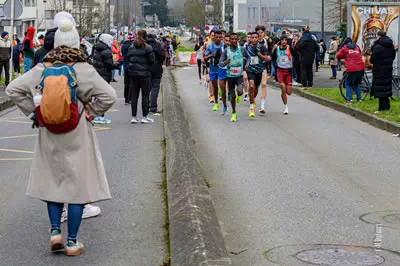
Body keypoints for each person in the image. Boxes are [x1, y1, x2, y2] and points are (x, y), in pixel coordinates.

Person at [6, 17, 116, 256]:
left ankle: (55, 231)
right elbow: (109, 95)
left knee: (53, 183)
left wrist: (35, 112)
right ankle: (73, 242)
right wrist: (91, 112)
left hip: (49, 133)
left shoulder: (42, 68)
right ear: (77, 43)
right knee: (77, 188)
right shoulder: (84, 69)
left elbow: (12, 89)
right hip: (77, 133)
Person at [219, 32, 249, 122]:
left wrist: (247, 64)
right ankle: (234, 112)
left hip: (239, 75)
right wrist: (225, 63)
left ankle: (239, 93)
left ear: (238, 40)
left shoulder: (242, 49)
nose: (234, 41)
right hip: (230, 76)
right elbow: (220, 62)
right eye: (232, 39)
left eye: (236, 39)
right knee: (232, 96)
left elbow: (249, 58)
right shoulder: (226, 51)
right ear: (230, 40)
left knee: (239, 91)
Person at [127, 29, 155, 124]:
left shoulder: (131, 47)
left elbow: (129, 58)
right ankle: (145, 116)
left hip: (133, 74)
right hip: (145, 74)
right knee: (145, 96)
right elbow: (152, 61)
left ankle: (134, 117)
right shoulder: (148, 48)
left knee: (134, 96)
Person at [245, 32, 270, 117]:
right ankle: (251, 108)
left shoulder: (262, 47)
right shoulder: (247, 47)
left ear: (258, 38)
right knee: (251, 86)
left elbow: (267, 59)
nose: (254, 39)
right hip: (250, 70)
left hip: (259, 71)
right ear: (250, 38)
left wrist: (259, 54)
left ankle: (253, 99)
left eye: (256, 37)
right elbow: (244, 57)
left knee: (255, 88)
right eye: (253, 37)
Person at [370, 31, 396, 112]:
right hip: (388, 70)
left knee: (380, 89)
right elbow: (393, 56)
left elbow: (372, 59)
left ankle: (381, 109)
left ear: (379, 36)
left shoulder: (378, 46)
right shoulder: (390, 46)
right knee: (386, 88)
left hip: (379, 70)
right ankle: (387, 107)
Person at [336, 37, 365, 104]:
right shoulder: (357, 46)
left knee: (347, 83)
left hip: (351, 68)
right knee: (357, 83)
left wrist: (345, 56)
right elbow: (358, 54)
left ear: (345, 43)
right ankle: (359, 99)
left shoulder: (345, 48)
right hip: (360, 67)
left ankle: (349, 100)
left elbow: (338, 56)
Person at [204, 31, 227, 113]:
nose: (217, 38)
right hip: (213, 69)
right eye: (216, 37)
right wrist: (211, 55)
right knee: (215, 87)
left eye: (219, 37)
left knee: (222, 87)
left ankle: (224, 105)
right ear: (213, 38)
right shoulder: (210, 46)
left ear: (221, 38)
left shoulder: (224, 46)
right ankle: (216, 103)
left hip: (222, 69)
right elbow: (205, 58)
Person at [255, 25, 273, 113]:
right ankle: (252, 98)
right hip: (254, 67)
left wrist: (268, 57)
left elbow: (270, 52)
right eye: (258, 33)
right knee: (254, 86)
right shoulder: (252, 43)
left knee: (264, 84)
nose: (260, 34)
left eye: (262, 33)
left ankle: (262, 106)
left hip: (264, 66)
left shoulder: (267, 42)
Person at [147, 31, 166, 115]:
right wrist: (160, 62)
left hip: (146, 69)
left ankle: (146, 106)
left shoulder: (144, 45)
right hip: (156, 68)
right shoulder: (157, 45)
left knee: (146, 89)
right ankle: (153, 107)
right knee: (155, 87)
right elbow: (162, 56)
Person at [121, 32, 134, 105]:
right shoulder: (134, 45)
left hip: (126, 65)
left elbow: (122, 54)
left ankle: (126, 99)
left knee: (126, 83)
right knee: (132, 83)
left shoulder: (124, 45)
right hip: (132, 66)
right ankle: (130, 98)